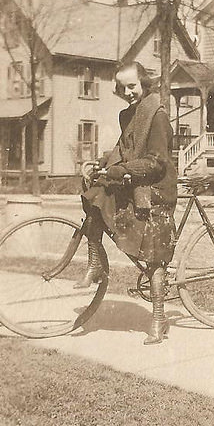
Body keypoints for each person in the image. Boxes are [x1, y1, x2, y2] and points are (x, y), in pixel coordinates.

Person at [78, 61, 178, 345]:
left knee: (153, 255)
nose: (127, 92)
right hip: (138, 183)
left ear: (145, 83)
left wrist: (119, 172)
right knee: (96, 193)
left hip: (157, 188)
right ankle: (96, 262)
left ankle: (158, 318)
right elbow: (123, 151)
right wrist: (100, 166)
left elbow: (157, 164)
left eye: (132, 86)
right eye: (122, 87)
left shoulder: (156, 115)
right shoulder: (129, 115)